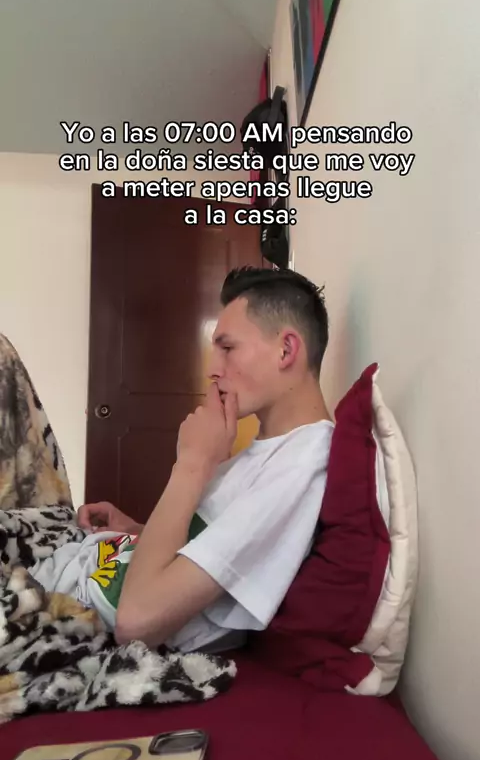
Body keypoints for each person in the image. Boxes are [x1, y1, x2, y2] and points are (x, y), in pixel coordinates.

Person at [30, 266, 334, 654]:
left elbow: (136, 621)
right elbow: (206, 551)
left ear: (286, 350)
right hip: (76, 568)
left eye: (227, 348)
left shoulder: (300, 467)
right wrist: (136, 529)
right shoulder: (271, 452)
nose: (212, 370)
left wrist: (191, 464)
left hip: (62, 609)